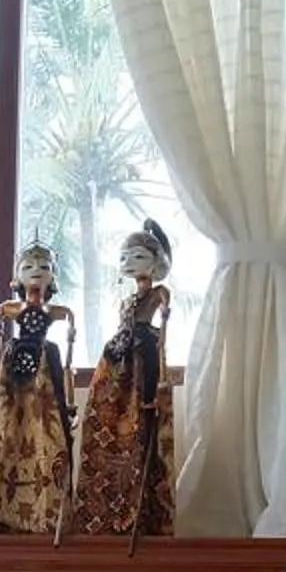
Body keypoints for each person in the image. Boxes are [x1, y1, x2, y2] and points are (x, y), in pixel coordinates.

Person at [71, 218, 176, 544]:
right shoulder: (125, 301)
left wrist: (159, 379)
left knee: (143, 432)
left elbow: (162, 336)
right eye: (125, 257)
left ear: (157, 262)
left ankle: (139, 512)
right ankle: (103, 514)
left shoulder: (159, 295)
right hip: (117, 362)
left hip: (144, 356)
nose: (130, 263)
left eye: (139, 256)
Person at [0, 242, 76, 540]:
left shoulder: (59, 313)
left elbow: (68, 363)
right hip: (12, 373)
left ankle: (47, 512)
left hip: (46, 372)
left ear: (53, 277)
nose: (36, 273)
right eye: (28, 267)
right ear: (16, 277)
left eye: (43, 267)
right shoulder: (7, 310)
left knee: (46, 436)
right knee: (7, 433)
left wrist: (71, 403)